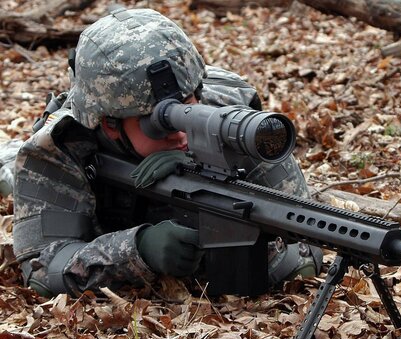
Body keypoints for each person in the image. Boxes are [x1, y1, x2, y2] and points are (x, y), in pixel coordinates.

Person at [12, 7, 322, 297]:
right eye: (159, 123)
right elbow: (41, 271)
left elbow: (306, 246)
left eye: (188, 106)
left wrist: (208, 172)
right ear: (110, 125)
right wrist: (138, 250)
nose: (182, 133)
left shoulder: (231, 120)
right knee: (8, 171)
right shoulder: (62, 147)